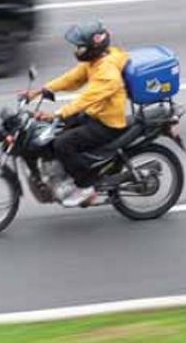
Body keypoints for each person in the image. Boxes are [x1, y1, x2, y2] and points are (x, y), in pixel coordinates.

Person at [28, 21, 129, 207]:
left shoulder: (107, 72)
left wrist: (56, 114)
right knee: (53, 133)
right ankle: (62, 174)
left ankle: (85, 187)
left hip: (108, 124)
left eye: (80, 47)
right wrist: (42, 90)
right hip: (94, 115)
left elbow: (85, 99)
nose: (77, 50)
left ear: (93, 47)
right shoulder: (95, 61)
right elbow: (72, 79)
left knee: (63, 143)